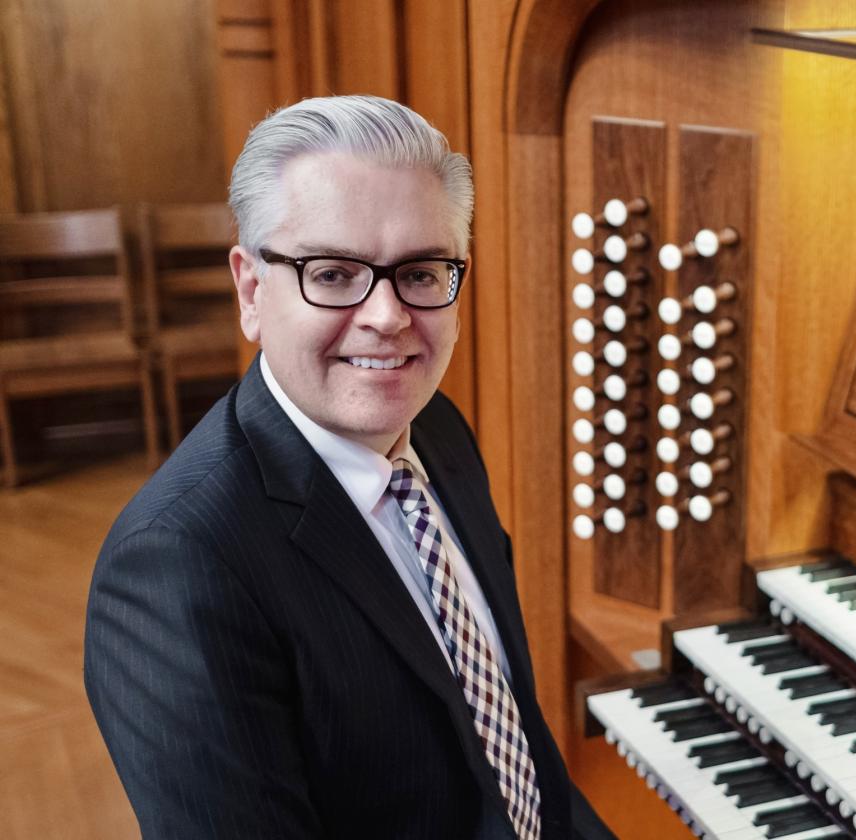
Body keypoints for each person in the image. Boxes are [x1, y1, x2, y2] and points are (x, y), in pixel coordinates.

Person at [84, 95, 614, 840]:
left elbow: (513, 746)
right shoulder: (176, 567)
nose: (388, 316)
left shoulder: (437, 429)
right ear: (250, 290)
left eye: (422, 273)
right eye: (333, 274)